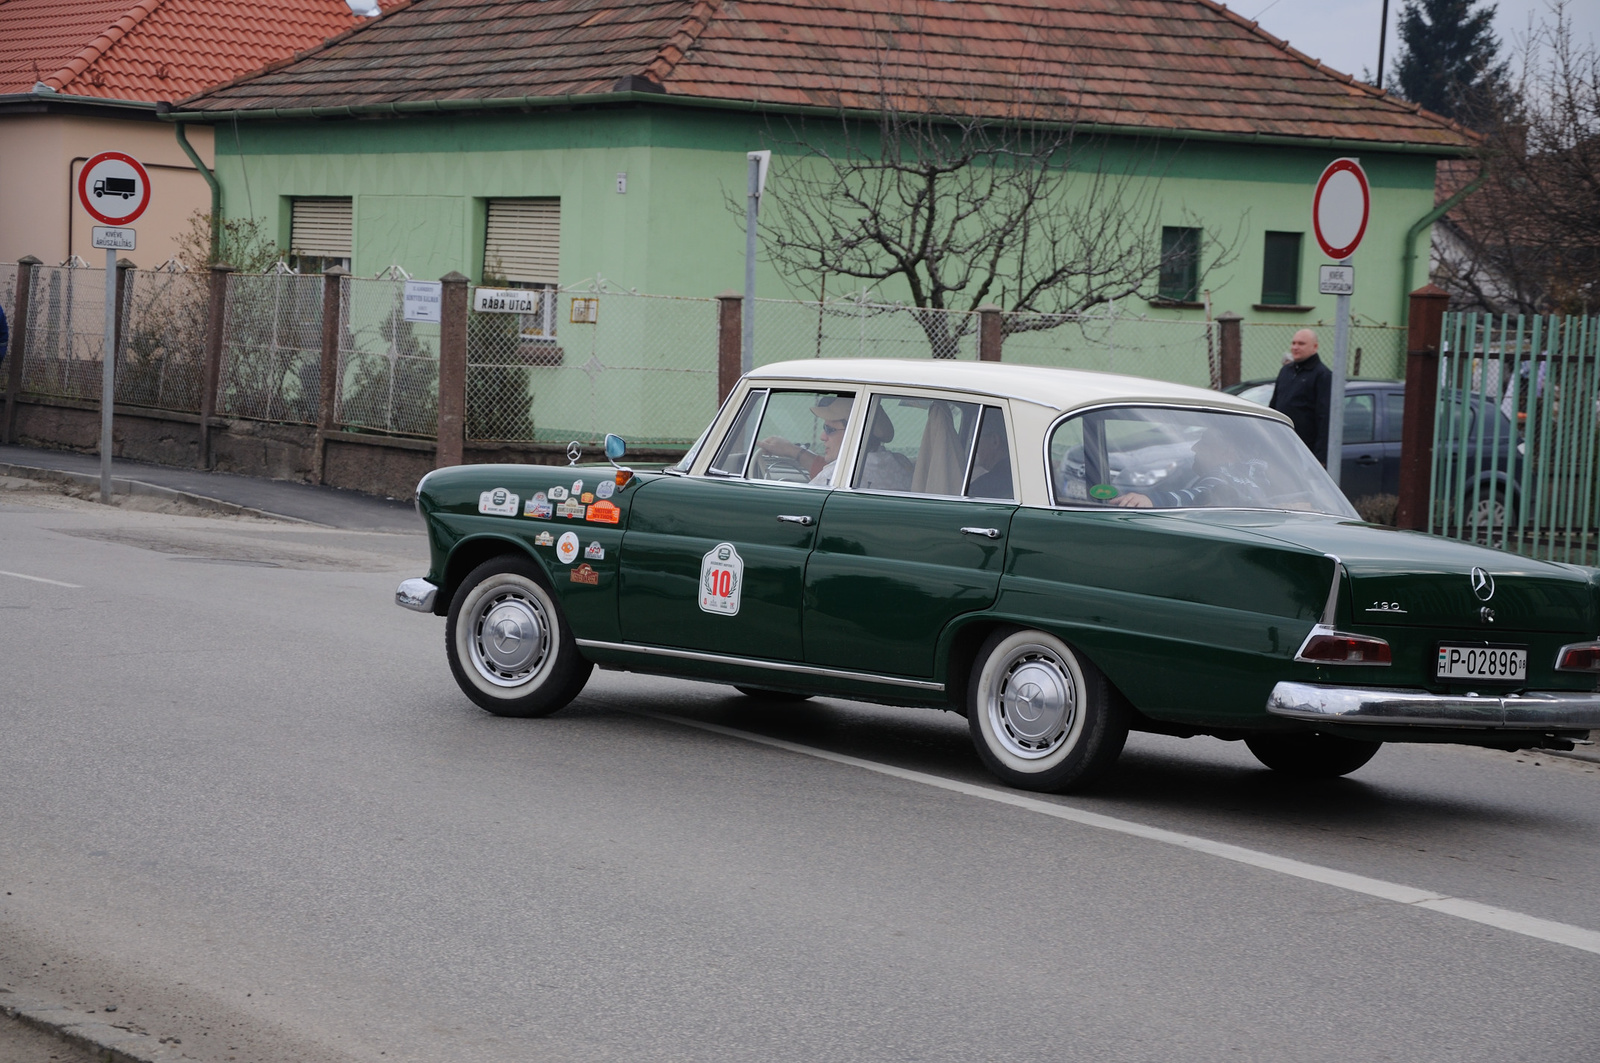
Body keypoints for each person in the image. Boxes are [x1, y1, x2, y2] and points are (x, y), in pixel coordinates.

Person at [757, 396, 909, 488]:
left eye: (830, 430)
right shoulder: (902, 464)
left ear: (854, 434)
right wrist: (792, 450)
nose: (823, 436)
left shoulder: (836, 474)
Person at [1110, 427, 1268, 509]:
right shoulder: (1257, 477)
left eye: (1205, 443)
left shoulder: (1222, 475)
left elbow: (1202, 495)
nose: (1194, 448)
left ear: (1228, 453)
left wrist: (1151, 500)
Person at [1269, 328, 1332, 464]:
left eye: (1301, 344)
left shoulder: (1322, 375)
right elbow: (1273, 407)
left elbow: (1324, 419)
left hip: (1304, 450)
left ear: (1315, 347)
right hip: (1280, 445)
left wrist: (1320, 458)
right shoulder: (1286, 371)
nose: (1295, 347)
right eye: (1293, 343)